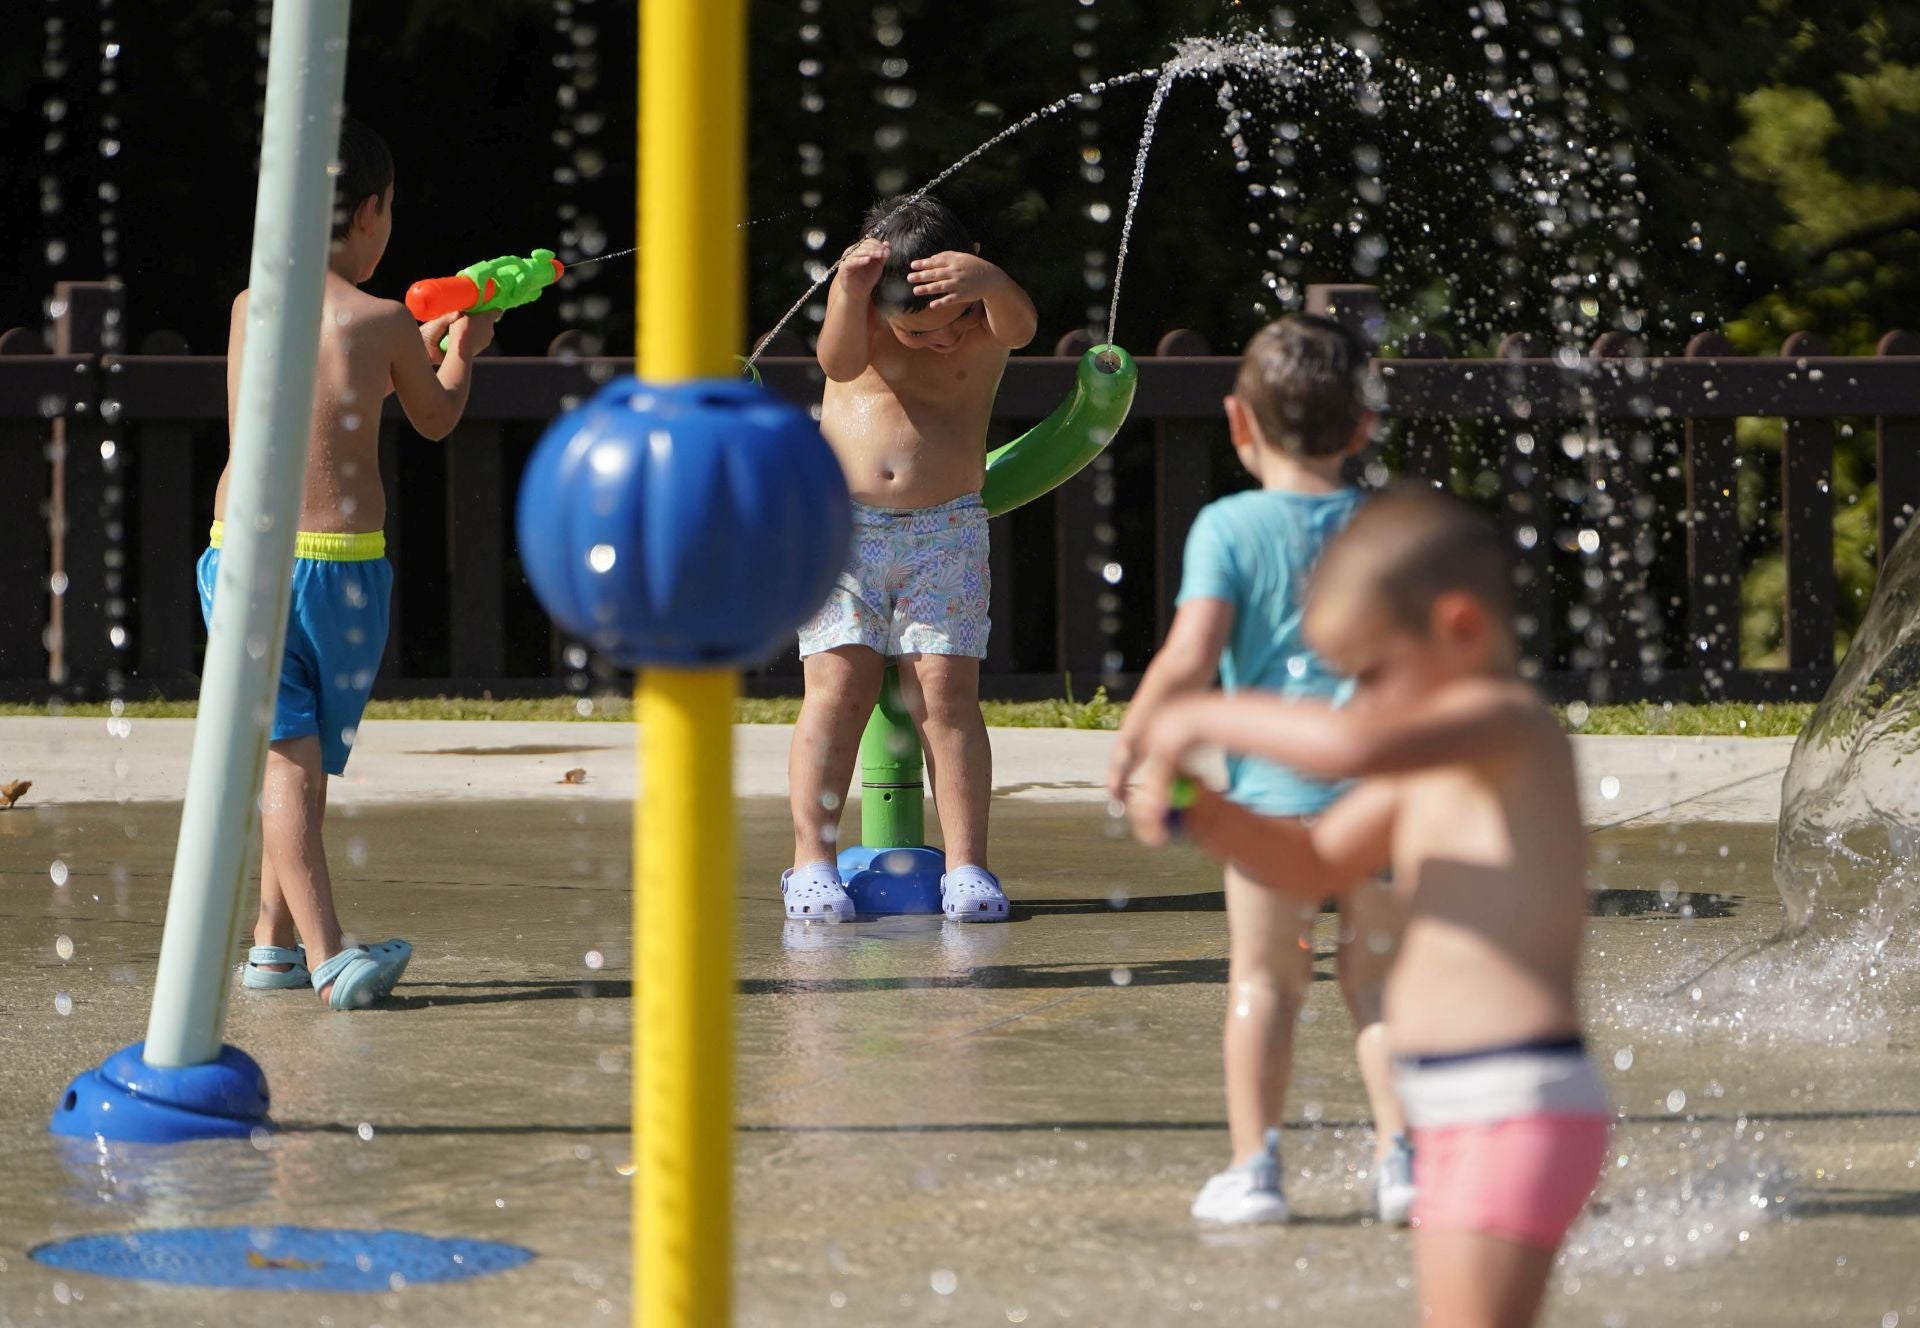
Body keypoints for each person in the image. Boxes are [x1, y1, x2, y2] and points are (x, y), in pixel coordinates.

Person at [1127, 486, 1608, 1328]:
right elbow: (1309, 860)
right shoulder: (1424, 770)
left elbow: (1351, 745)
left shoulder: (1508, 723)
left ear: (1459, 629)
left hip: (1512, 1102)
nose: (1356, 702)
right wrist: (1205, 811)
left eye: (1370, 676)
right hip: (1459, 1107)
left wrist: (1197, 709)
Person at [1107, 315, 1412, 1226]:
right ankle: (1407, 1164)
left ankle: (1257, 1171)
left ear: (1239, 424)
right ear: (1361, 427)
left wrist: (1136, 740)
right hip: (1380, 807)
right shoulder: (1385, 526)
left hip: (1271, 809)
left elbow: (1191, 651)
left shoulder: (1227, 527)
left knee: (1264, 984)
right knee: (1383, 985)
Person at [200, 119, 496, 1008]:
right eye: (390, 211)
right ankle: (333, 956)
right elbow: (438, 418)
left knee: (288, 757)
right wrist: (462, 350)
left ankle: (271, 946)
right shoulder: (380, 323)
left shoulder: (252, 304)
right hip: (341, 574)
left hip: (242, 558)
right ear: (367, 212)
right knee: (298, 764)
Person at [784, 192, 1037, 924]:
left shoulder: (987, 317)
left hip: (946, 530)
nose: (945, 342)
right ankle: (812, 862)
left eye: (953, 323)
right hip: (848, 530)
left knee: (948, 697)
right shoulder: (859, 320)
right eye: (918, 328)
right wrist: (846, 289)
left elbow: (1022, 326)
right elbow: (833, 359)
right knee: (834, 693)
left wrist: (986, 282)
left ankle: (968, 868)